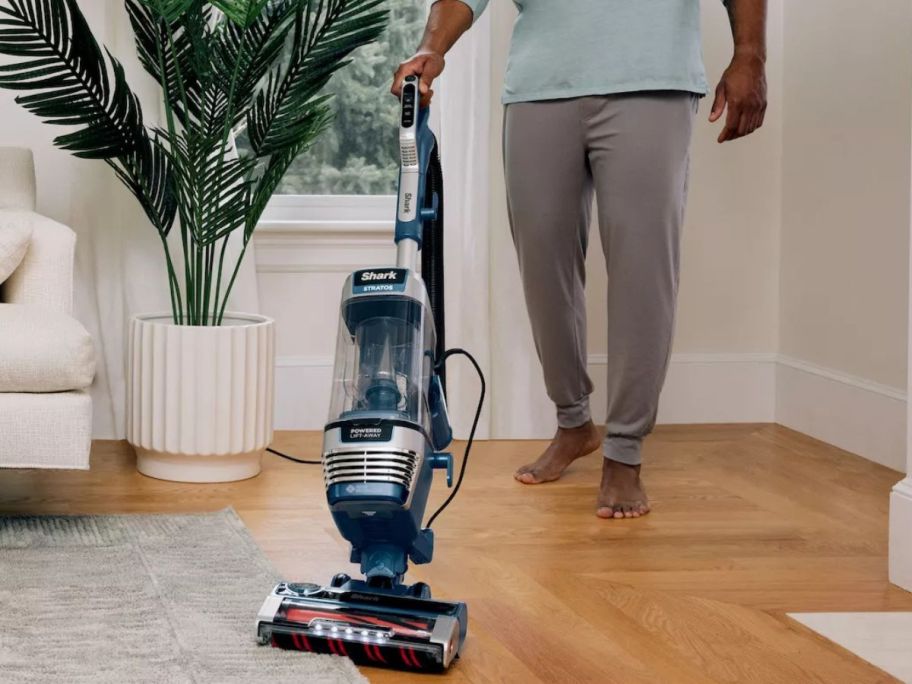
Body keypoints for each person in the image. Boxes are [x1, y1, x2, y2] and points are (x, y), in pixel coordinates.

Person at [392, 0, 767, 519]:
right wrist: (431, 47)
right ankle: (574, 423)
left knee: (643, 271)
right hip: (540, 85)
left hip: (650, 82)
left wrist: (750, 54)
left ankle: (625, 452)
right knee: (543, 266)